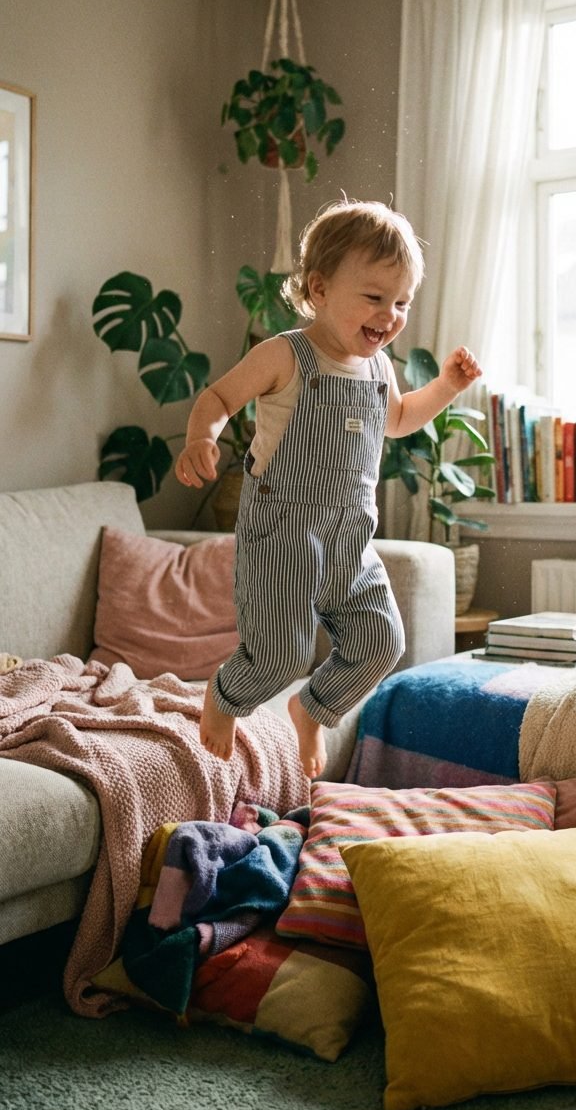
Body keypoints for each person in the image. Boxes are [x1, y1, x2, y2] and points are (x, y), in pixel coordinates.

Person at [175, 199, 482, 777]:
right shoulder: (287, 355)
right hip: (283, 529)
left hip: (351, 536)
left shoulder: (378, 369)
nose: (390, 315)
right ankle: (224, 695)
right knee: (281, 654)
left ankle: (311, 708)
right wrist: (201, 438)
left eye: (402, 303)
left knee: (382, 643)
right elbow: (216, 399)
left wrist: (445, 385)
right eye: (374, 297)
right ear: (319, 289)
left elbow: (398, 419)